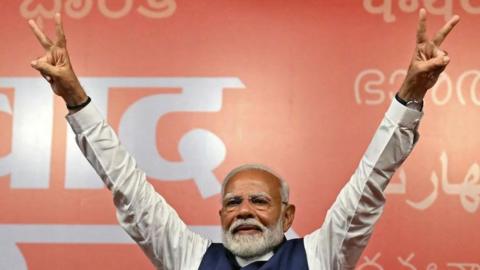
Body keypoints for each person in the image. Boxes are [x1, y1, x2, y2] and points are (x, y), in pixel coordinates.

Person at [28, 9, 459, 270]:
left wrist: (411, 95)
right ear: (219, 215)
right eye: (233, 202)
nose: (244, 211)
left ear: (288, 216)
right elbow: (128, 186)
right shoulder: (190, 258)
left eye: (259, 201)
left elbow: (370, 182)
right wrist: (74, 97)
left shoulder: (321, 255)